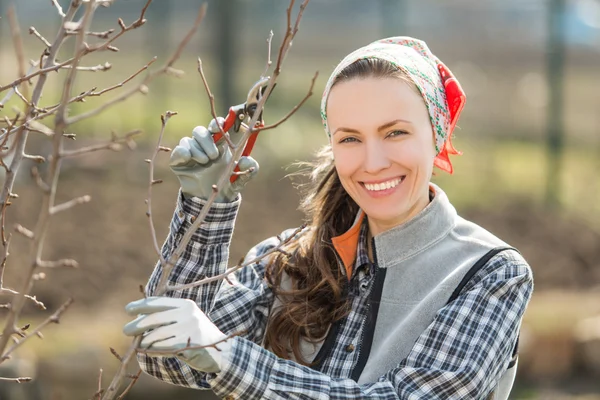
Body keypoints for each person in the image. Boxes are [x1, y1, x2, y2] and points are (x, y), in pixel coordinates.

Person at [123, 36, 534, 399]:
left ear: (437, 135)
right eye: (350, 139)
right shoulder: (288, 257)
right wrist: (206, 208)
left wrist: (228, 356)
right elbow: (167, 358)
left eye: (395, 133)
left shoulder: (490, 273)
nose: (373, 163)